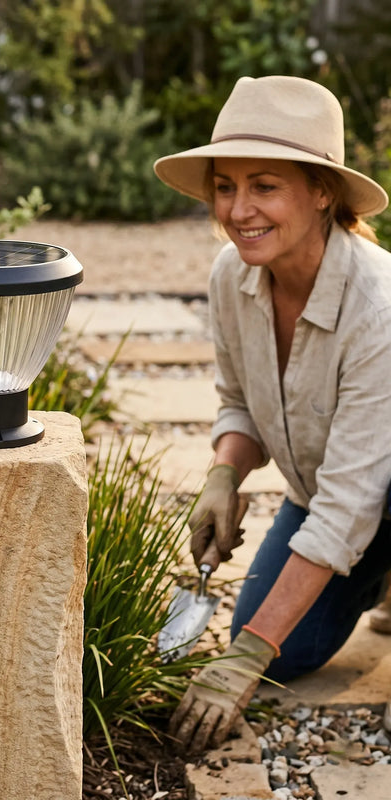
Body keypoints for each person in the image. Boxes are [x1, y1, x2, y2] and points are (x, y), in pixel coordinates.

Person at [152, 74, 391, 753]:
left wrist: (246, 657)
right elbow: (240, 402)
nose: (238, 208)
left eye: (264, 185)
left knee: (258, 651)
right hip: (328, 494)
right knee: (285, 654)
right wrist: (223, 475)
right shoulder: (232, 276)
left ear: (323, 192)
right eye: (225, 186)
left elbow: (350, 503)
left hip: (369, 490)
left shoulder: (377, 308)